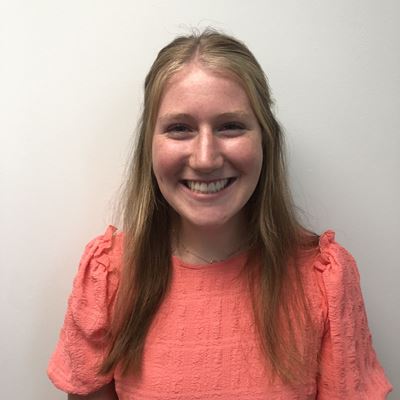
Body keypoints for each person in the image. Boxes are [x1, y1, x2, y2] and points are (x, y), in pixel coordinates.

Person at [47, 29, 392, 399]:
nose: (205, 158)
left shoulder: (324, 281)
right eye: (180, 129)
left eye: (230, 126)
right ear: (149, 145)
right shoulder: (108, 278)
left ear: (266, 140)